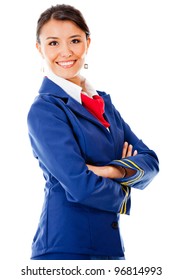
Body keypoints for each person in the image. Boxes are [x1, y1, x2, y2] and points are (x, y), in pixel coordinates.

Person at [27, 4, 159, 260]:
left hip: (110, 249)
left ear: (88, 42)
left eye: (74, 40)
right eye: (53, 43)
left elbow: (151, 161)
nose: (65, 52)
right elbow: (80, 186)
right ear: (39, 48)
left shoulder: (103, 104)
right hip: (65, 249)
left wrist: (112, 170)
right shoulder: (45, 110)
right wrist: (126, 187)